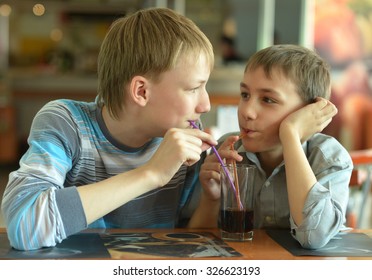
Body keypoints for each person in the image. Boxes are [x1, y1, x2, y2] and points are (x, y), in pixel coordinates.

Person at [1, 7, 218, 250]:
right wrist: (151, 174)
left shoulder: (185, 141)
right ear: (141, 91)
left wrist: (211, 197)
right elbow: (23, 226)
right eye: (193, 89)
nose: (206, 104)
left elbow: (189, 240)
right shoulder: (66, 123)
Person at [197, 44, 354, 249]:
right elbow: (195, 241)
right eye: (245, 95)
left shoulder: (329, 158)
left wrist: (290, 133)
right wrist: (211, 199)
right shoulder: (229, 151)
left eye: (268, 99)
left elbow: (314, 237)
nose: (247, 111)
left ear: (309, 111)